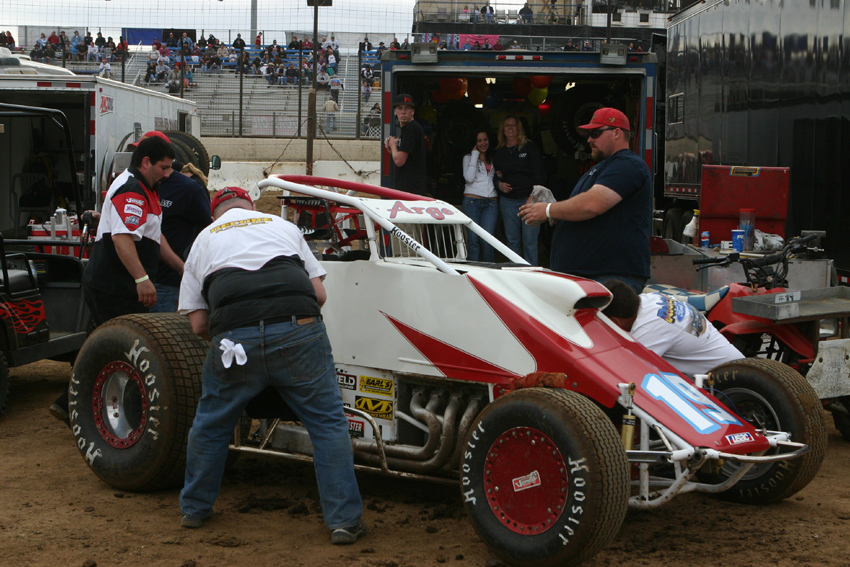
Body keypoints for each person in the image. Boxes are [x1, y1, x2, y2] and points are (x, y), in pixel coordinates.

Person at [176, 187, 367, 544]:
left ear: (215, 214)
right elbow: (319, 295)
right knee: (327, 423)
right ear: (250, 206)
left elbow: (199, 324)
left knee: (211, 424)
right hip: (298, 328)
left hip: (235, 340)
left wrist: (236, 337)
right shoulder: (282, 227)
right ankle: (344, 521)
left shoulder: (204, 238)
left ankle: (194, 509)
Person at [518, 107, 652, 292]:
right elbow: (584, 209)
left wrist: (548, 209)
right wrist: (555, 214)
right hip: (590, 277)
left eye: (595, 133)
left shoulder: (628, 164)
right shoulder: (601, 168)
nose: (589, 140)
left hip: (611, 277)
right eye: (589, 134)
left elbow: (591, 205)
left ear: (617, 133)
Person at [601, 280, 744, 377]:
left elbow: (628, 374)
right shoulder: (652, 298)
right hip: (738, 366)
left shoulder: (649, 330)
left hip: (726, 381)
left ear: (614, 321)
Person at [149, 160, 212, 313]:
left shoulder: (189, 189)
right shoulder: (141, 185)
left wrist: (185, 268)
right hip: (146, 278)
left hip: (168, 281)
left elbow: (208, 229)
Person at [492, 115, 545, 265]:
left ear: (518, 128)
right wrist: (499, 184)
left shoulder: (529, 147)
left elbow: (540, 175)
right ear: (502, 129)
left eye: (513, 125)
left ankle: (532, 273)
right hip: (508, 202)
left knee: (530, 241)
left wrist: (532, 197)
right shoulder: (499, 152)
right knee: (512, 241)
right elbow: (494, 175)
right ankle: (515, 272)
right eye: (507, 125)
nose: (510, 128)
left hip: (529, 200)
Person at [462, 129, 498, 262]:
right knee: (473, 240)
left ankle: (490, 271)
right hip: (472, 202)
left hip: (491, 203)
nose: (483, 143)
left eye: (485, 140)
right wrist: (475, 154)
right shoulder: (468, 157)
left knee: (488, 240)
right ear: (474, 143)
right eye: (479, 141)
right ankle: (474, 271)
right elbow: (469, 178)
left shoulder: (493, 157)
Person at [385, 94, 427, 195]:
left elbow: (399, 161)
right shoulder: (408, 129)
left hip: (410, 190)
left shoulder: (411, 128)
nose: (403, 112)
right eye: (400, 108)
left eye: (407, 108)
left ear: (412, 111)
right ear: (395, 112)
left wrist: (393, 145)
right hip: (409, 188)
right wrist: (392, 149)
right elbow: (408, 158)